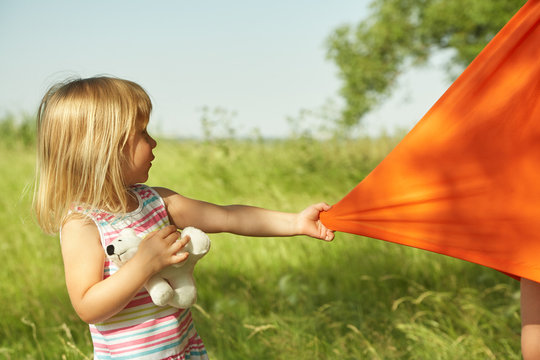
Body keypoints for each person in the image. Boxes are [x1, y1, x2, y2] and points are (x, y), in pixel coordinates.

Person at [33, 76, 335, 360]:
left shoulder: (157, 202)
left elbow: (228, 217)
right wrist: (144, 264)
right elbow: (88, 306)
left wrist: (295, 222)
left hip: (182, 349)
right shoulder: (83, 224)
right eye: (141, 133)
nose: (153, 143)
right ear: (102, 148)